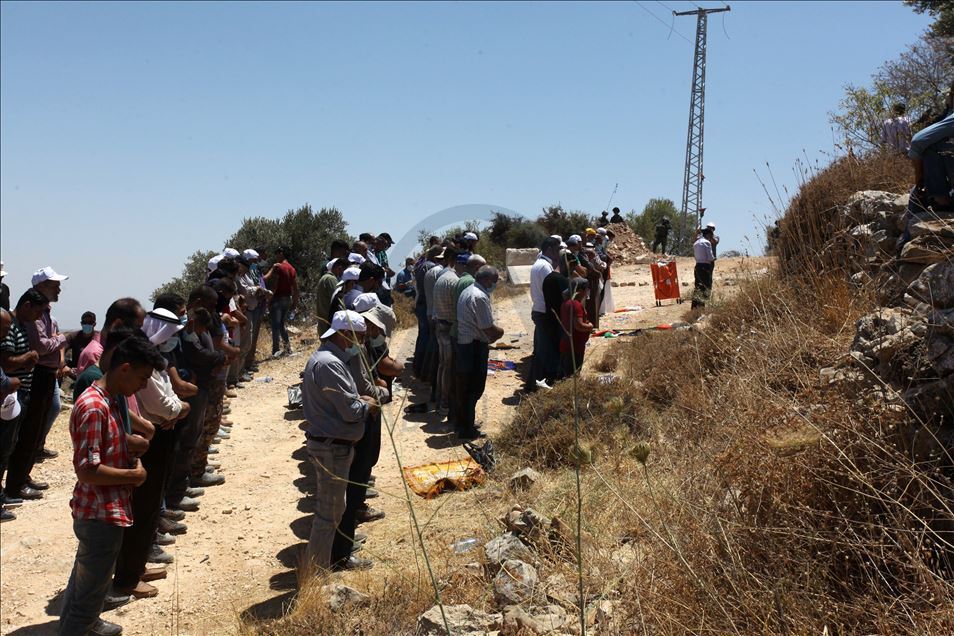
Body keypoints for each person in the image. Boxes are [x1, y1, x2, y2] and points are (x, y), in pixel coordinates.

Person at [58, 334, 165, 636]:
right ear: (125, 368)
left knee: (87, 581)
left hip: (106, 509)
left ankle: (82, 624)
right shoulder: (95, 406)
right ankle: (79, 628)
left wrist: (129, 445)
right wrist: (134, 477)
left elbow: (105, 445)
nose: (143, 386)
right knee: (91, 589)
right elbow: (87, 470)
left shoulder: (110, 400)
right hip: (99, 513)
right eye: (142, 378)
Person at [110, 308, 189, 601]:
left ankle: (137, 567)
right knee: (141, 509)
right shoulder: (138, 365)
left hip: (156, 433)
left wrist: (176, 408)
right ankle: (127, 577)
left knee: (149, 507)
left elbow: (171, 394)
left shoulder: (153, 361)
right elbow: (161, 404)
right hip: (148, 439)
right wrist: (178, 409)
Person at [302, 310, 378, 571]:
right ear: (345, 333)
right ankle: (316, 573)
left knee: (334, 509)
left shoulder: (328, 359)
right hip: (331, 447)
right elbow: (351, 410)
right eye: (359, 337)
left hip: (332, 445)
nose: (360, 342)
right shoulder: (330, 364)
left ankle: (322, 565)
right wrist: (368, 404)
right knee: (328, 514)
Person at [4, 267, 73, 503]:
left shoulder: (44, 313)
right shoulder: (33, 314)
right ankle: (16, 483)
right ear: (41, 287)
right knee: (26, 432)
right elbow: (41, 346)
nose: (59, 290)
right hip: (36, 376)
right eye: (55, 285)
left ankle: (23, 476)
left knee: (34, 430)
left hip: (44, 374)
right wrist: (64, 338)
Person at [1, 290, 45, 508]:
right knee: (5, 446)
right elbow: (6, 362)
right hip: (11, 395)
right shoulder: (10, 326)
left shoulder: (21, 326)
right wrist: (28, 357)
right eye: (37, 311)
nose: (38, 317)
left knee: (11, 444)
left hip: (20, 392)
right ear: (26, 305)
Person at [455, 266, 503, 440]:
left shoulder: (468, 291)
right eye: (495, 281)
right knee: (474, 388)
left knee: (465, 387)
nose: (495, 284)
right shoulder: (480, 296)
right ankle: (467, 429)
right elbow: (487, 327)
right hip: (474, 346)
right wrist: (500, 332)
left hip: (464, 344)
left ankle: (464, 423)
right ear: (487, 279)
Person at [525, 237, 562, 392]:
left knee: (542, 349)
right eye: (557, 249)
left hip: (539, 310)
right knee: (546, 351)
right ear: (549, 249)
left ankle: (534, 383)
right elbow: (551, 291)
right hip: (545, 312)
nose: (559, 252)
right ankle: (538, 384)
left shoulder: (538, 264)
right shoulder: (545, 267)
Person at [78, 298, 146, 374]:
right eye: (137, 327)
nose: (140, 333)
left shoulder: (117, 351)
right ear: (118, 324)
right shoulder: (94, 354)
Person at [433, 249, 463, 416]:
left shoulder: (442, 278)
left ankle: (440, 401)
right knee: (449, 368)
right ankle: (445, 403)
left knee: (443, 365)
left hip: (440, 324)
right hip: (449, 327)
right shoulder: (454, 280)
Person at [264, 247, 298, 358]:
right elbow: (295, 288)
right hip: (287, 298)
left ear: (281, 253)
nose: (276, 256)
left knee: (275, 325)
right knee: (282, 324)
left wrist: (269, 300)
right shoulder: (292, 268)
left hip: (278, 299)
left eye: (277, 253)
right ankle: (287, 348)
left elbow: (275, 284)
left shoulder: (278, 267)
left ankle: (275, 351)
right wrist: (295, 303)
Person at [560, 278, 594, 376]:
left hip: (567, 345)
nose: (587, 292)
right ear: (580, 290)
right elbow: (579, 326)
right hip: (574, 347)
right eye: (586, 289)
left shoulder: (567, 302)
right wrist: (590, 326)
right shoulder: (575, 305)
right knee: (572, 376)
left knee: (567, 376)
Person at [316, 257, 347, 334]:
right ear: (339, 268)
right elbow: (338, 301)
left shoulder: (324, 277)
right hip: (328, 324)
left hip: (323, 323)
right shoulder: (331, 279)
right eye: (343, 271)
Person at [692, 227, 716, 309]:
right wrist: (713, 259)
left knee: (697, 286)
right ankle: (702, 306)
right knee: (705, 286)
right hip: (705, 266)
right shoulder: (707, 243)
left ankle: (694, 306)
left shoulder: (696, 243)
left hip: (698, 266)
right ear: (708, 235)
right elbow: (710, 257)